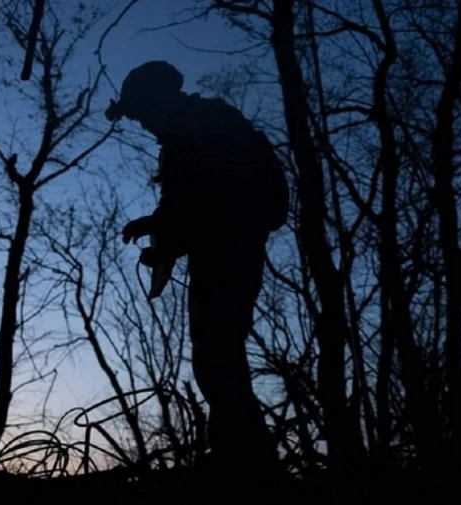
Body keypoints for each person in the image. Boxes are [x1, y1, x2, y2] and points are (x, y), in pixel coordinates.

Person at [105, 61, 289, 477]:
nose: (143, 124)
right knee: (215, 351)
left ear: (160, 100)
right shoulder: (183, 137)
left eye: (143, 113)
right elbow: (186, 207)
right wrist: (161, 235)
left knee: (217, 352)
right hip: (217, 252)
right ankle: (241, 455)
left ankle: (244, 461)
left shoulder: (209, 125)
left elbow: (216, 202)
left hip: (232, 251)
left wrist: (167, 233)